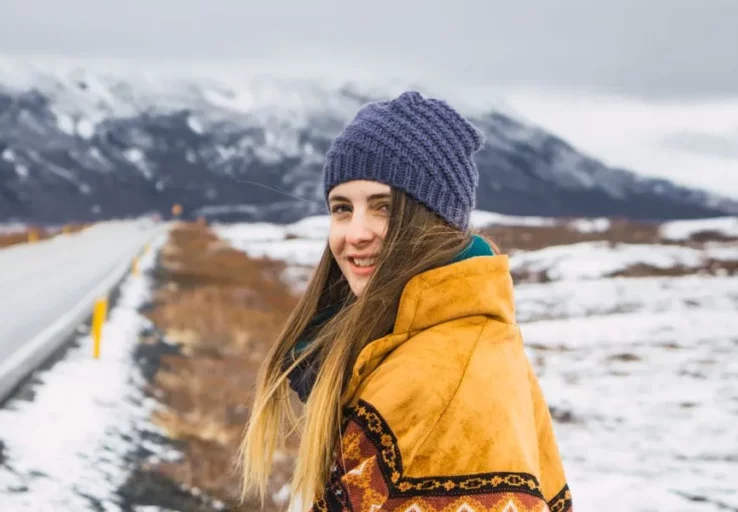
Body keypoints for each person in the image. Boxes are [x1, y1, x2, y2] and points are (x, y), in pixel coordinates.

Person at [240, 91, 572, 511]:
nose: (355, 233)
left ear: (434, 222)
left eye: (383, 207)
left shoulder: (441, 375)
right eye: (342, 209)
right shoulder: (438, 340)